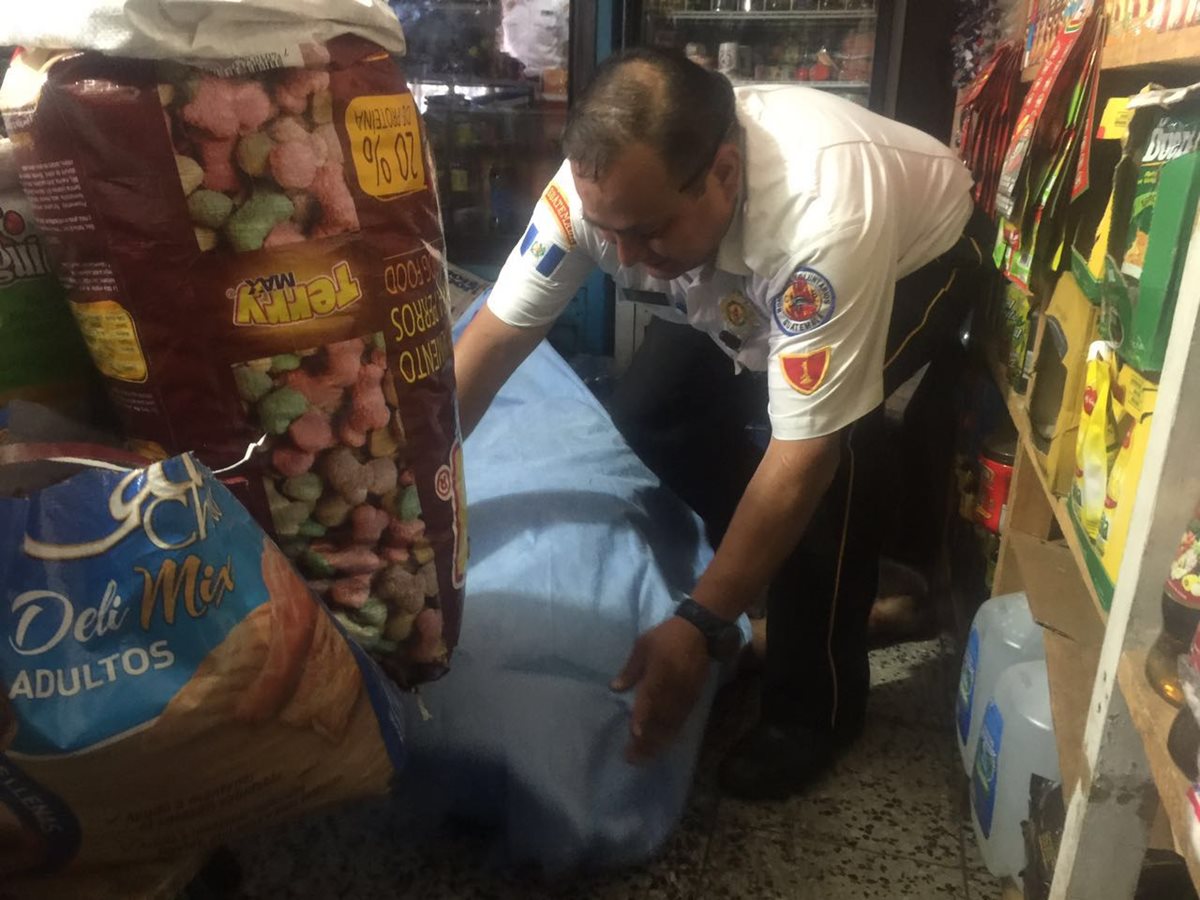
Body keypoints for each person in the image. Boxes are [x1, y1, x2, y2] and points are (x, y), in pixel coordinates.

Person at [453, 47, 986, 800]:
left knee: (828, 468)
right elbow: (493, 340)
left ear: (725, 175)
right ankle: (770, 574)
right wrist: (413, 491)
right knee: (645, 418)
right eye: (612, 236)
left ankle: (815, 710)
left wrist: (699, 626)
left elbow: (805, 455)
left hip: (917, 258)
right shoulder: (597, 195)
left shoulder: (824, 217)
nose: (627, 258)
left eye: (646, 232)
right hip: (728, 276)